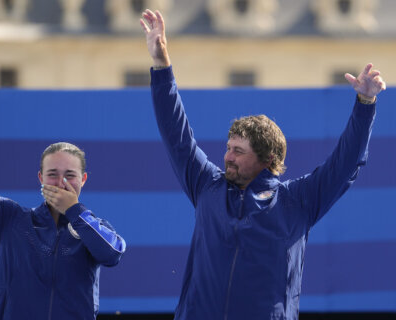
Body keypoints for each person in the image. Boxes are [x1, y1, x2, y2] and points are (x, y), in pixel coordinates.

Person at [140, 9, 386, 320]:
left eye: (239, 151)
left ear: (268, 160)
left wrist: (365, 105)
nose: (227, 156)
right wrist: (162, 66)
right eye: (228, 148)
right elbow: (175, 132)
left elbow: (345, 163)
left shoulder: (298, 201)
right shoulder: (206, 185)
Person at [0, 99, 126, 320]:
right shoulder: (10, 218)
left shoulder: (92, 229)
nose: (61, 183)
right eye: (52, 174)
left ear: (84, 180)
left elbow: (113, 254)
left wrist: (74, 211)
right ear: (40, 178)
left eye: (70, 175)